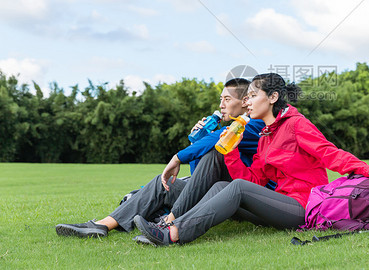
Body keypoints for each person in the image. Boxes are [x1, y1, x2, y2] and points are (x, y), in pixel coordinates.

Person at [133, 73, 369, 246]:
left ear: (273, 98)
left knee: (236, 188)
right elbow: (252, 179)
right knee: (223, 186)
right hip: (277, 204)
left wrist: (366, 169)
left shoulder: (296, 125)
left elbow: (328, 152)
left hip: (301, 207)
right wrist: (230, 151)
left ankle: (173, 233)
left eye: (253, 96)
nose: (248, 103)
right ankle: (171, 225)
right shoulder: (265, 136)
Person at [55, 78, 267, 238]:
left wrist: (178, 157)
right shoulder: (227, 129)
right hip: (212, 192)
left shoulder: (254, 125)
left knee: (212, 153)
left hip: (236, 197)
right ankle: (102, 225)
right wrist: (196, 142)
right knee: (163, 183)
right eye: (220, 99)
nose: (221, 105)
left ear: (245, 102)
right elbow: (200, 176)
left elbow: (215, 149)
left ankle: (168, 222)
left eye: (227, 99)